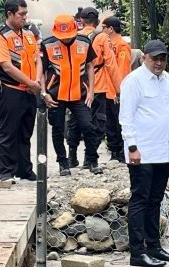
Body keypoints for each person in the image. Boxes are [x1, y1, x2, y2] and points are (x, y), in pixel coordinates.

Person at [119, 40, 169, 267]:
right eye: (154, 58)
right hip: (142, 152)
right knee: (140, 200)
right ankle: (138, 252)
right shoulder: (134, 81)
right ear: (144, 57)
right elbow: (125, 117)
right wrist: (133, 147)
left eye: (162, 58)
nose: (158, 62)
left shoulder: (167, 80)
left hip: (163, 151)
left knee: (155, 200)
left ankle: (154, 245)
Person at [40, 14, 102, 178]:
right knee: (58, 129)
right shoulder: (47, 45)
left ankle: (92, 160)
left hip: (80, 94)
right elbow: (42, 71)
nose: (66, 39)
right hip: (55, 95)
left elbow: (90, 67)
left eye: (69, 36)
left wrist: (91, 91)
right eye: (63, 37)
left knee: (89, 126)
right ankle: (63, 163)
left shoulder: (84, 42)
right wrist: (44, 93)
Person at [0, 0, 42, 181]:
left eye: (26, 14)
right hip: (9, 89)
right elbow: (7, 66)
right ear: (10, 14)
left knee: (25, 132)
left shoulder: (28, 34)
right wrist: (30, 83)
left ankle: (24, 170)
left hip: (29, 90)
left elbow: (37, 59)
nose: (25, 18)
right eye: (21, 14)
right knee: (8, 132)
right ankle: (6, 172)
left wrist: (36, 81)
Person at [67, 6, 120, 171]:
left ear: (81, 21)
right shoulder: (102, 38)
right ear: (97, 22)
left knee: (75, 122)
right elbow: (111, 64)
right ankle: (89, 158)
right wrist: (119, 89)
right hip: (98, 88)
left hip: (77, 88)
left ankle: (72, 156)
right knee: (97, 123)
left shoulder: (74, 37)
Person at [102, 16, 131, 161]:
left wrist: (119, 91)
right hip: (106, 90)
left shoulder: (122, 46)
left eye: (104, 28)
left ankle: (121, 152)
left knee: (120, 122)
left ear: (111, 29)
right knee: (110, 123)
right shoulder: (107, 45)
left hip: (117, 92)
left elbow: (123, 70)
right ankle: (113, 151)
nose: (102, 31)